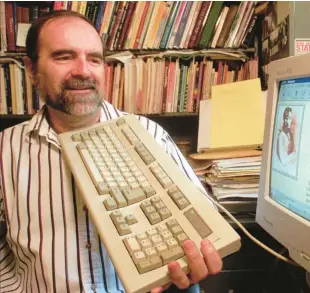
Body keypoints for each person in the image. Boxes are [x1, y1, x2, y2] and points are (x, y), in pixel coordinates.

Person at [0, 11, 222, 293]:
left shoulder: (150, 134)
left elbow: (204, 225)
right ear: (31, 69)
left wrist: (192, 261)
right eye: (64, 57)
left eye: (94, 59)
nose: (83, 71)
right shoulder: (5, 150)